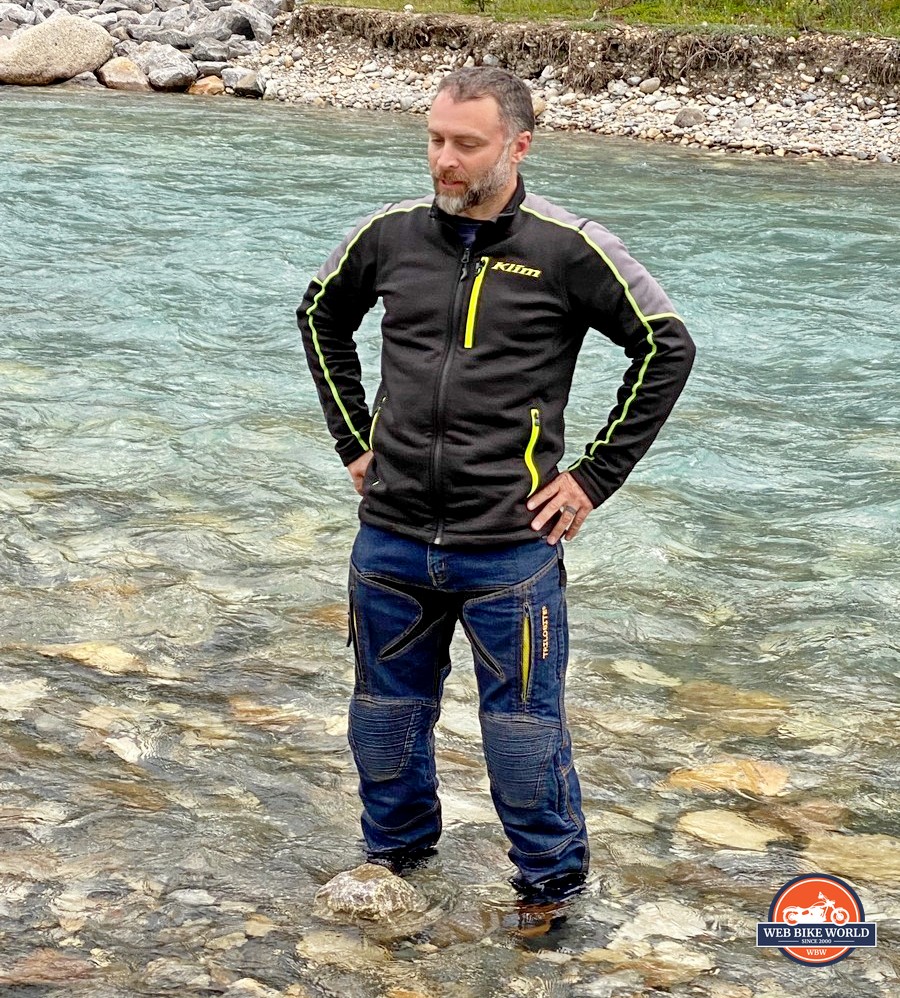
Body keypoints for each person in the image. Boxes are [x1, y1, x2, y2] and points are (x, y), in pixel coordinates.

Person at [297, 67, 695, 901]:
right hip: (391, 538)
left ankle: (550, 891)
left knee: (522, 740)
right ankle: (395, 864)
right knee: (383, 722)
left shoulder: (568, 247)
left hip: (510, 549)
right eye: (435, 140)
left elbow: (666, 345)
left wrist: (593, 478)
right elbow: (320, 314)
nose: (444, 160)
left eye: (466, 145)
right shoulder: (390, 234)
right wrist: (353, 440)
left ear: (518, 146)